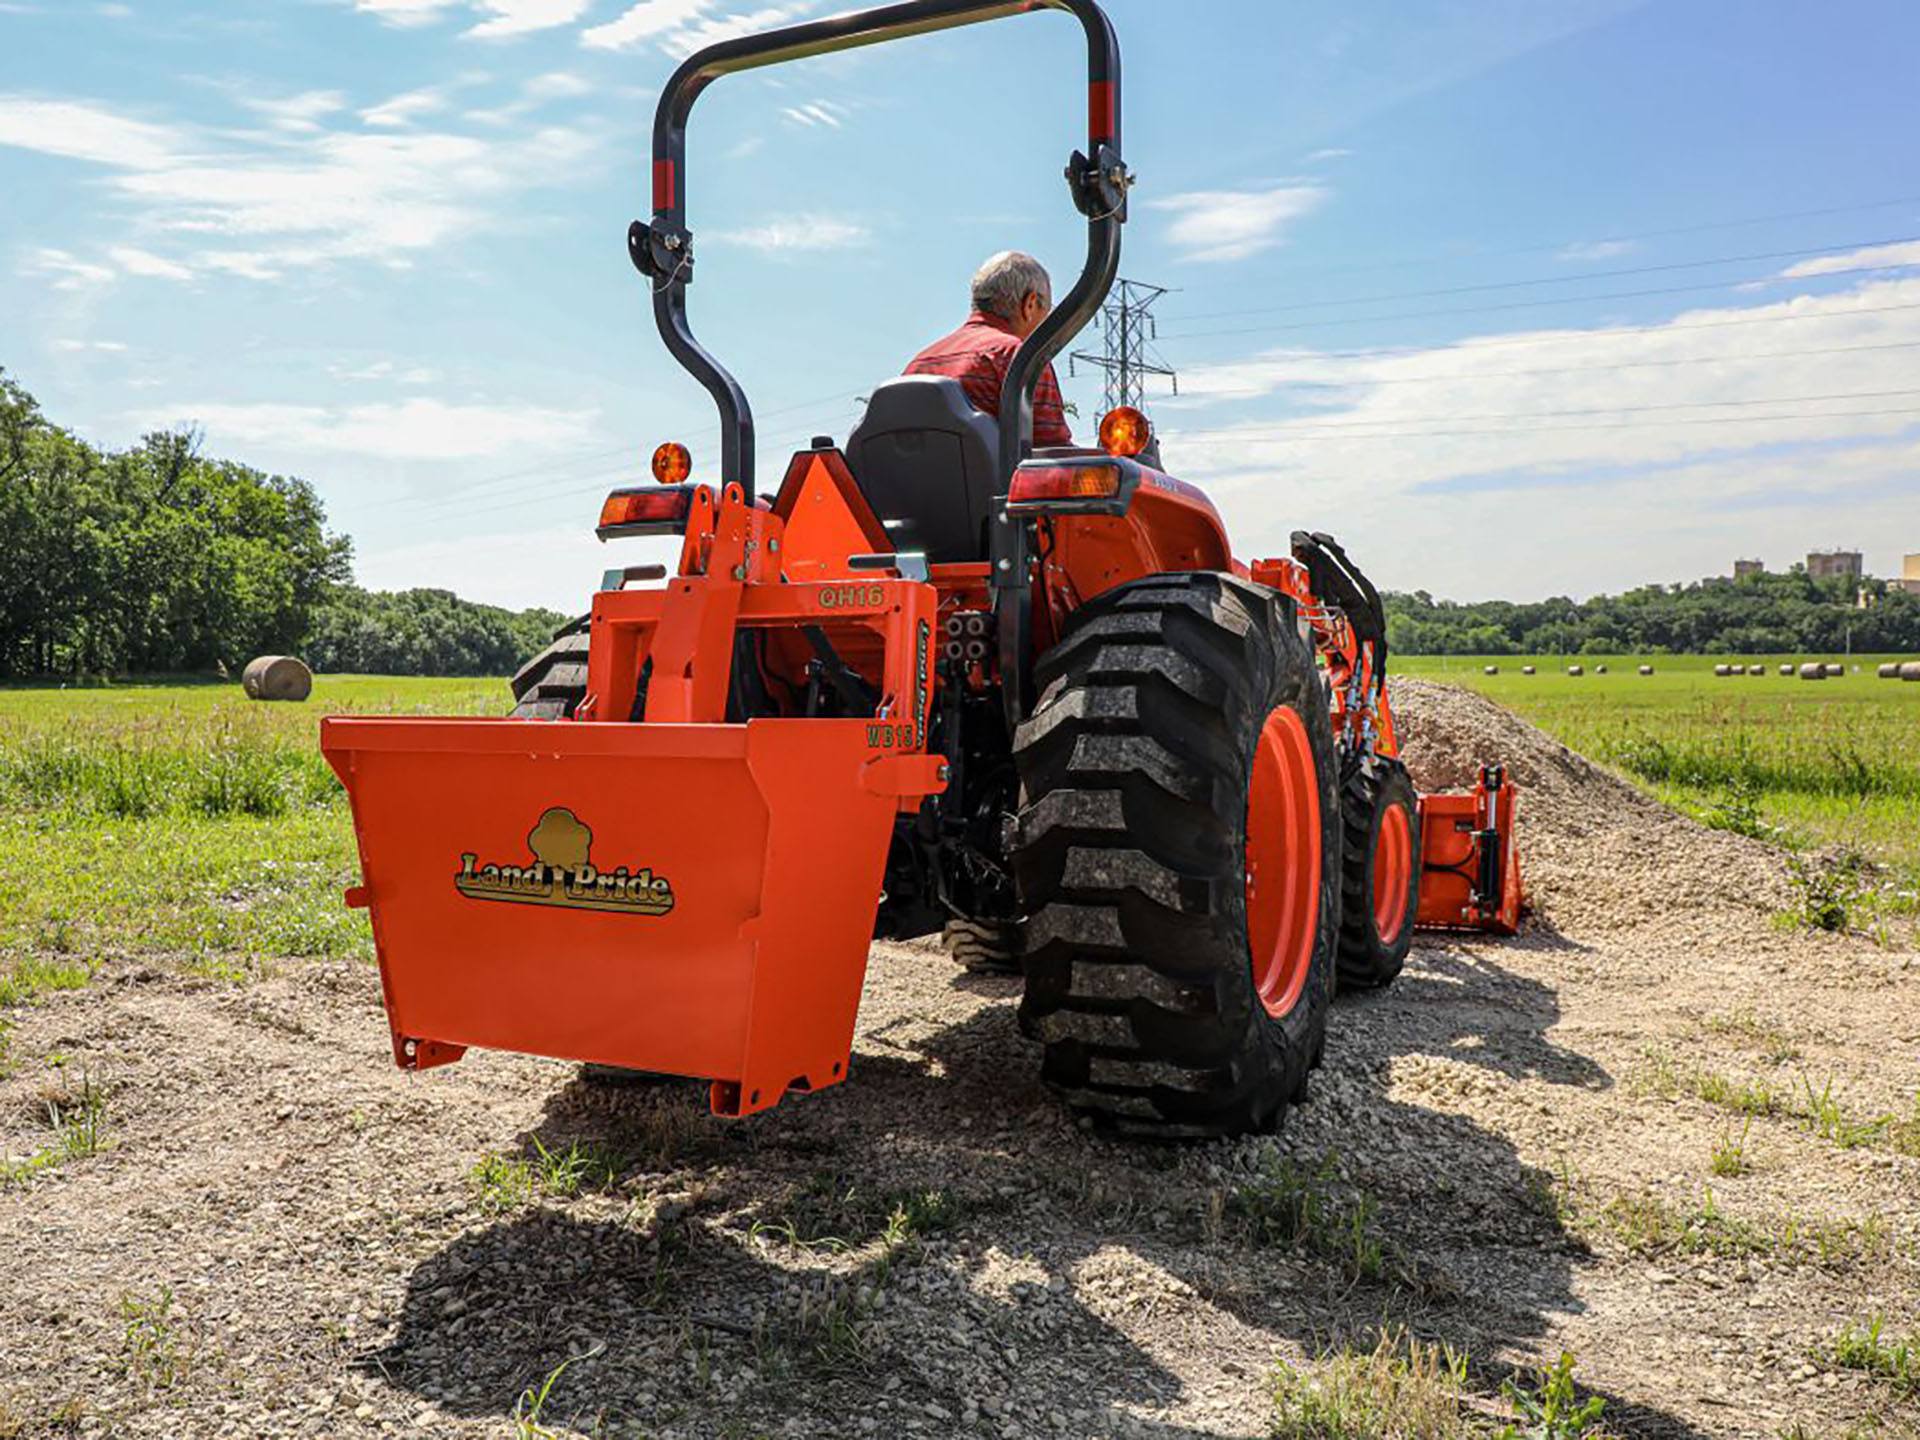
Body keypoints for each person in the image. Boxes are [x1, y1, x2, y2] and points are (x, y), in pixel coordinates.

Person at [905, 251, 1074, 447]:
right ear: (1030, 304)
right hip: (990, 479)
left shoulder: (917, 365)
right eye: (1046, 312)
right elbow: (1054, 458)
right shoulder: (1019, 358)